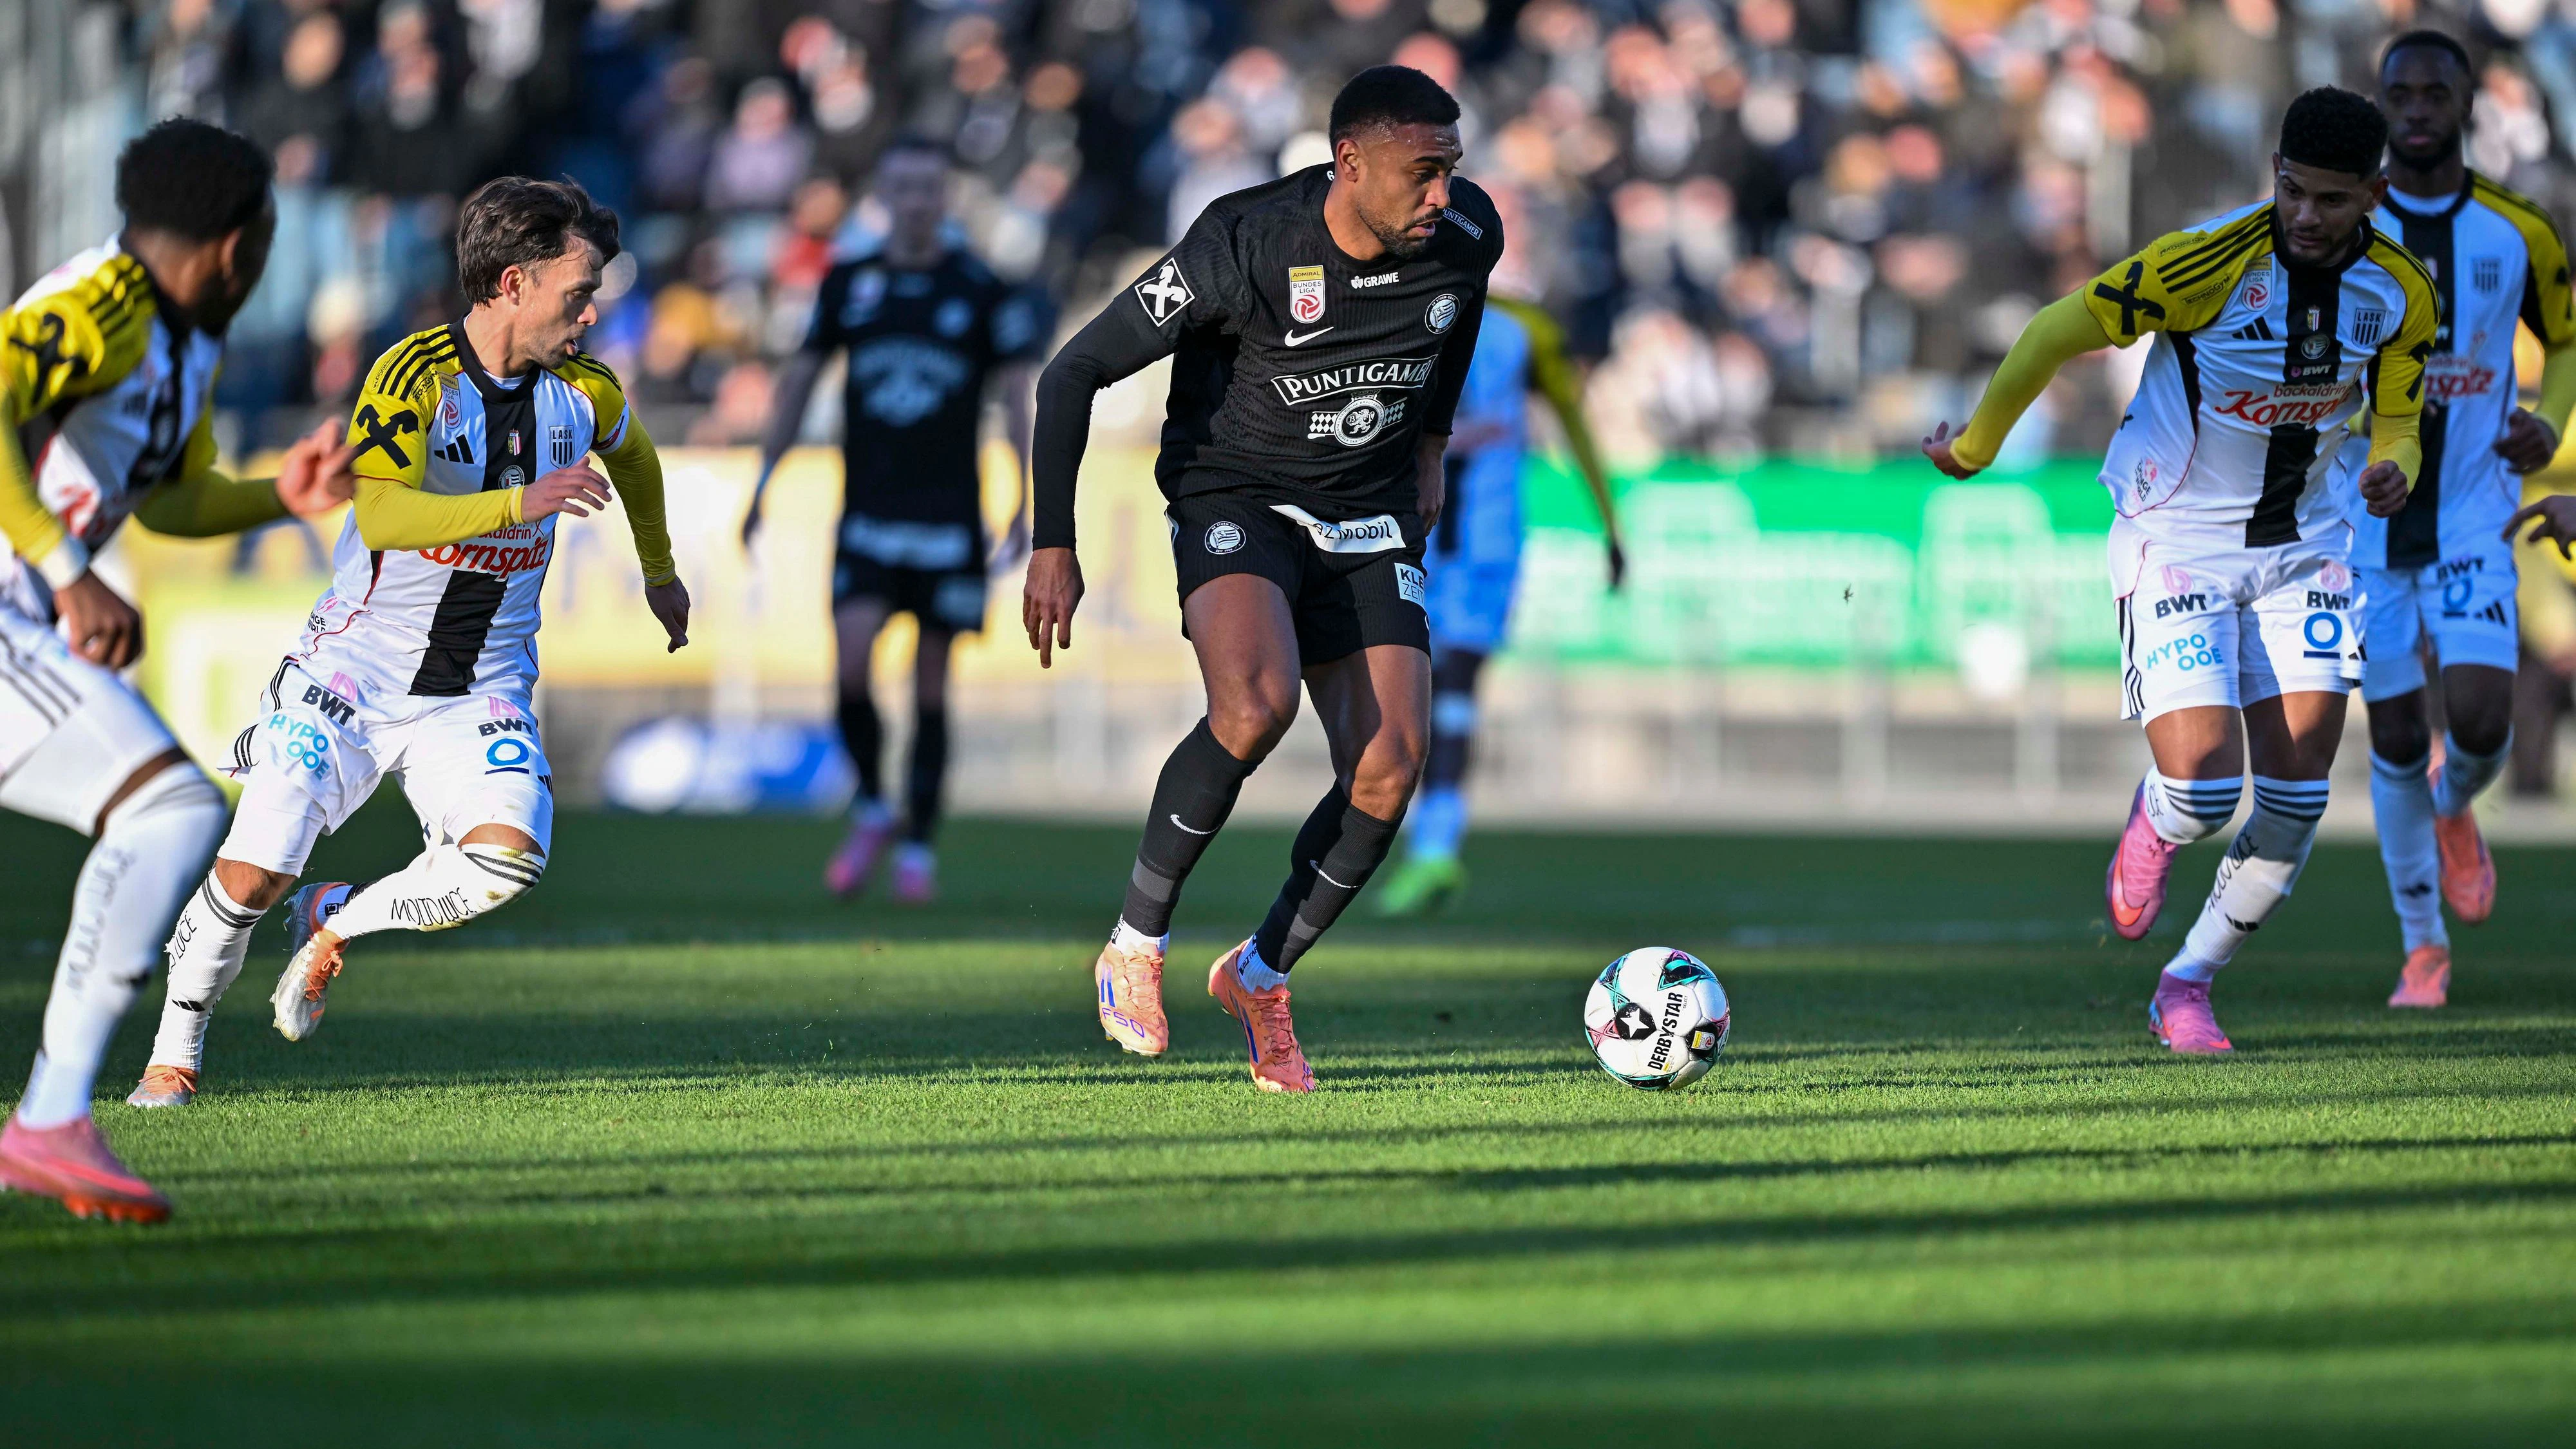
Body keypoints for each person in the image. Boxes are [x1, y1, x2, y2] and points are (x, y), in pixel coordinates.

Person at [129, 178, 690, 1107]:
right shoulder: (412, 374)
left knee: (507, 859)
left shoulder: (584, 392)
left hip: (480, 688)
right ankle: (173, 1053)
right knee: (255, 868)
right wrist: (520, 502)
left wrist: (659, 569)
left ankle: (340, 920)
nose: (593, 311)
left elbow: (634, 453)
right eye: (580, 290)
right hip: (350, 675)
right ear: (513, 283)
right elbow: (381, 511)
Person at [1924, 87, 2436, 1055]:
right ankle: (2159, 821)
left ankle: (2187, 983)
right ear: (2274, 178)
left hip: (2308, 550)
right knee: (2203, 788)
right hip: (2176, 535)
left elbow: (2402, 416)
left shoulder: (2401, 291)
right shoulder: (2203, 263)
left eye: (2333, 200)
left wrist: (2394, 467)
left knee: (2295, 798)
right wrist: (1980, 446)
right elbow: (2051, 332)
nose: (2308, 216)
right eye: (2293, 192)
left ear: (2373, 192)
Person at [1026, 65, 1504, 1092]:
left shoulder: (1467, 235)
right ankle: (1135, 943)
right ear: (1350, 163)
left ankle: (1260, 974)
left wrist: (1431, 443)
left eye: (1452, 171)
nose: (1443, 193)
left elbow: (1456, 329)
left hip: (1369, 508)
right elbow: (1072, 371)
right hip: (1235, 493)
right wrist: (1050, 540)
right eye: (1423, 173)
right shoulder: (1242, 243)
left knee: (1390, 767)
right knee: (1254, 706)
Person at [0, 120, 355, 1222]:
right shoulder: (99, 305)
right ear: (240, 246)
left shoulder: (181, 338)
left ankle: (53, 1119)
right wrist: (69, 573)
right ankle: (51, 1119)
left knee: (165, 810)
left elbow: (172, 492)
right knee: (166, 809)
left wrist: (274, 499)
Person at [743, 134, 1047, 904]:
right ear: (884, 196)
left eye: (929, 188)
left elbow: (1017, 396)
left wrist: (1027, 495)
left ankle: (918, 845)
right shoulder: (850, 283)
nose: (916, 201)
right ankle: (874, 806)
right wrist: (764, 481)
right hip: (869, 513)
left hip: (948, 519)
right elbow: (799, 383)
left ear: (946, 197)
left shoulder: (981, 288)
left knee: (932, 687)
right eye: (903, 187)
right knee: (849, 664)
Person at [2351, 32, 2576, 1009]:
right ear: (2381, 103)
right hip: (2361, 532)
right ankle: (2422, 946)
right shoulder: (2341, 226)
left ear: (2468, 102)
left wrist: (2548, 422)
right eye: (2399, 92)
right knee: (2396, 733)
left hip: (2475, 514)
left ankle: (2457, 808)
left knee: (2479, 721)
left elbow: (2566, 342)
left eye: (2434, 92)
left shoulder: (2517, 229)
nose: (2415, 109)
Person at [1374, 287, 1622, 918]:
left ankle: (1434, 849)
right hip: (1422, 536)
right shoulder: (1409, 310)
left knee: (1449, 690)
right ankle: (1418, 841)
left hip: (1473, 540)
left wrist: (1611, 527)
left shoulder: (1516, 326)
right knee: (1417, 696)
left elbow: (1574, 424)